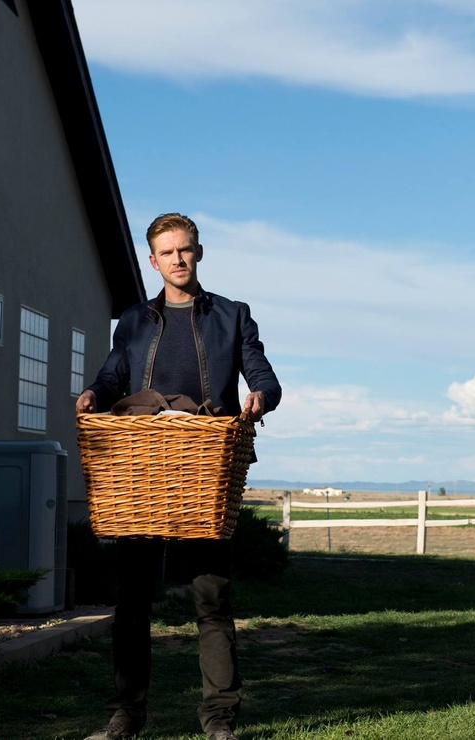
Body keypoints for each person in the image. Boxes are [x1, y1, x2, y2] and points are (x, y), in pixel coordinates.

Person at [77, 213, 281, 740]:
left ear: (199, 252)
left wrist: (261, 396)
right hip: (141, 472)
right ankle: (126, 717)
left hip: (202, 472)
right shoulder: (133, 321)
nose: (178, 259)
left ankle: (219, 721)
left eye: (185, 249)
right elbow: (112, 374)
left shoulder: (233, 316)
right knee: (131, 602)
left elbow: (262, 374)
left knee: (212, 602)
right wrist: (95, 394)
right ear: (153, 261)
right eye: (167, 252)